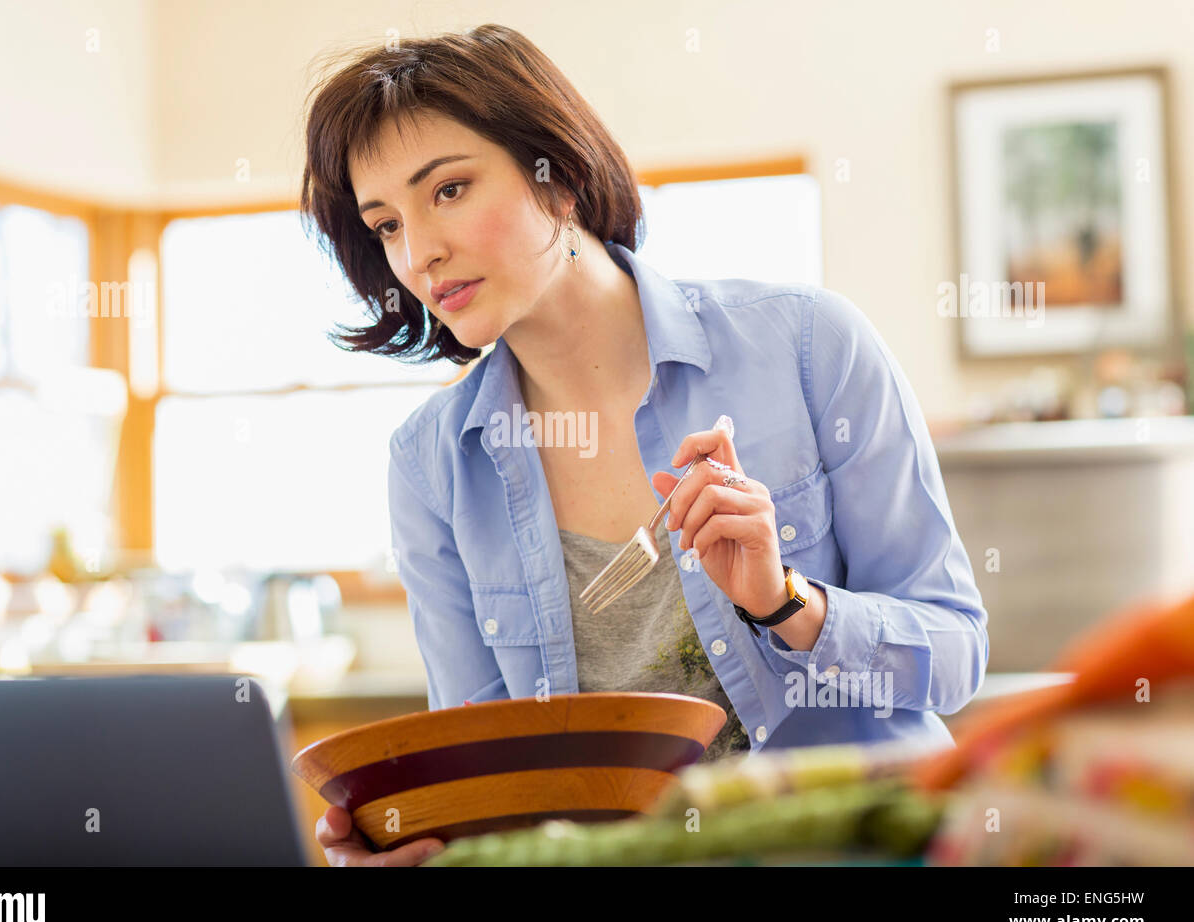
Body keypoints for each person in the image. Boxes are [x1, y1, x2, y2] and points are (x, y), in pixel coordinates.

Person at [299, 24, 988, 866]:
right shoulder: (432, 466)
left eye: (447, 190)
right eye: (385, 225)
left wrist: (785, 601)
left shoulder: (809, 344)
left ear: (558, 174)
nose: (419, 252)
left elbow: (956, 656)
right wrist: (409, 842)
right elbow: (488, 782)